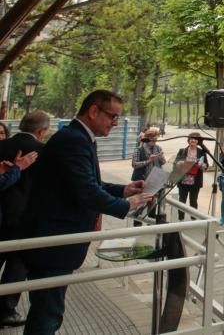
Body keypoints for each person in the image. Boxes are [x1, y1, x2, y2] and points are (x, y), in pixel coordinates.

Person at [23, 90, 151, 334]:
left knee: (49, 311)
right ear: (94, 111)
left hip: (55, 244)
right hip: (53, 245)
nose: (115, 124)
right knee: (47, 314)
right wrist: (128, 204)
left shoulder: (80, 137)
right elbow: (87, 192)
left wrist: (123, 190)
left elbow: (87, 183)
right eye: (112, 117)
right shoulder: (74, 140)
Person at [0, 111, 46, 327]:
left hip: (2, 213)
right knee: (18, 265)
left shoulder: (3, 145)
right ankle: (6, 309)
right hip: (25, 216)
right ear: (41, 131)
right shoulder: (43, 151)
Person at [173, 133, 208, 220]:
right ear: (188, 140)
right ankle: (180, 218)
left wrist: (201, 165)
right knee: (182, 200)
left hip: (195, 180)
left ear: (198, 141)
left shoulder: (202, 152)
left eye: (195, 139)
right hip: (183, 179)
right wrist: (179, 163)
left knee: (193, 201)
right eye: (191, 138)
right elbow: (175, 164)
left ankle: (193, 218)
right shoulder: (182, 151)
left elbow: (206, 167)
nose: (193, 140)